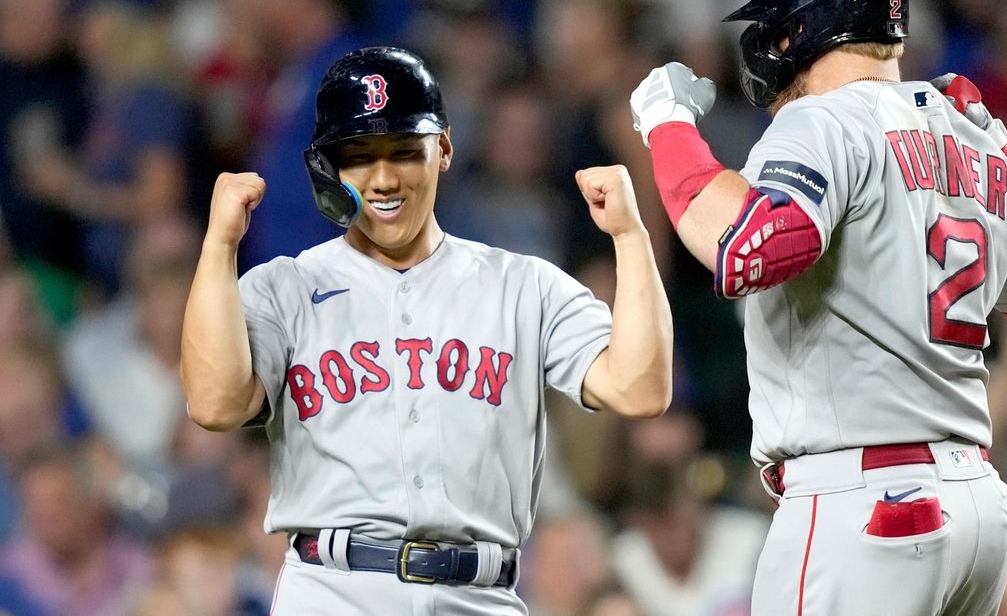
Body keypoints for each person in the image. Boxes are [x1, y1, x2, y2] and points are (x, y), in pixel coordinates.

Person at [628, 0, 1007, 615]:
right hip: (978, 510)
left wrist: (667, 129)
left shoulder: (822, 119)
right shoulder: (968, 131)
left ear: (798, 31)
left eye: (774, 31)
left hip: (867, 505)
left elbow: (750, 251)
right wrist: (999, 152)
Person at [179, 46, 673, 614]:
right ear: (328, 167)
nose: (384, 179)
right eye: (360, 156)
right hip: (334, 589)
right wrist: (218, 247)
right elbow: (215, 404)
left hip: (481, 593)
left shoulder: (523, 285)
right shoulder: (284, 288)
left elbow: (640, 389)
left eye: (403, 153)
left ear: (442, 148)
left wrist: (632, 239)